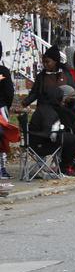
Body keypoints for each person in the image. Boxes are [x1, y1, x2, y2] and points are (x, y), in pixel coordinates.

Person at [28, 86, 75, 174]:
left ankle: (65, 165)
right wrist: (60, 132)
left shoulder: (43, 108)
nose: (62, 100)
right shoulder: (48, 112)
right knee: (72, 140)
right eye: (61, 98)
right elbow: (49, 131)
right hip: (42, 143)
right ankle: (64, 167)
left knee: (69, 138)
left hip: (35, 140)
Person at [0, 40, 14, 179]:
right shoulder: (3, 71)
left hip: (1, 108)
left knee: (2, 135)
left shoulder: (3, 72)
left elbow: (9, 92)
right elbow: (9, 92)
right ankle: (1, 167)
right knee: (2, 136)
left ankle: (2, 166)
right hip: (1, 107)